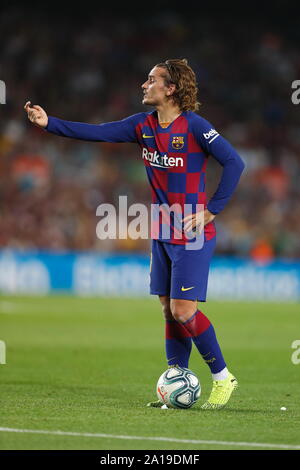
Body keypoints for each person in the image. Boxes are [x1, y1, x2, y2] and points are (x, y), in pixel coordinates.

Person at [24, 58, 245, 410]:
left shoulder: (195, 126)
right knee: (168, 311)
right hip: (161, 230)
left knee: (184, 310)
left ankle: (223, 377)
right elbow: (96, 132)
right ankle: (177, 379)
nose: (144, 85)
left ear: (170, 89)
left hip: (191, 233)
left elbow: (234, 162)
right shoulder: (142, 126)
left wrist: (212, 210)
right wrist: (49, 123)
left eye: (152, 80)